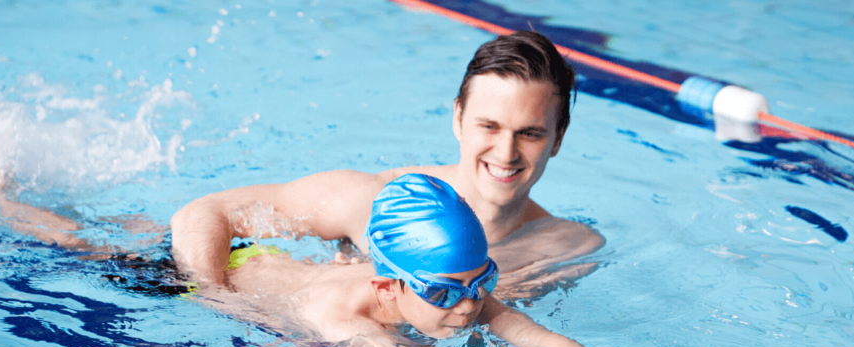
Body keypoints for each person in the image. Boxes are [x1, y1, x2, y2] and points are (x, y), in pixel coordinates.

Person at [215, 173, 709, 347]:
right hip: (223, 281)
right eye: (446, 294)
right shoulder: (347, 324)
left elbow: (550, 342)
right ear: (389, 287)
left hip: (279, 262)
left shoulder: (459, 288)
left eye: (483, 282)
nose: (470, 305)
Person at [171, 31, 603, 298]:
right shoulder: (377, 200)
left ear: (558, 139)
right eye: (489, 126)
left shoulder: (567, 248)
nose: (506, 152)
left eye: (529, 133)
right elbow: (203, 213)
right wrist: (215, 302)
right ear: (457, 119)